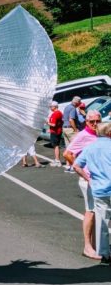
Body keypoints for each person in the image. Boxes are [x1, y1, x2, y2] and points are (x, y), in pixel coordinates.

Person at [65, 110, 102, 259]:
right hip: (88, 178)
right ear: (86, 122)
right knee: (91, 211)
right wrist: (81, 170)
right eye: (91, 121)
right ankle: (88, 246)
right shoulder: (82, 136)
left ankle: (97, 245)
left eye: (97, 121)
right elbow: (67, 153)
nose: (94, 124)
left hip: (101, 178)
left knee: (101, 212)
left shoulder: (101, 134)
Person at [73, 122, 111, 264]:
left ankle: (104, 254)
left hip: (99, 189)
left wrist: (88, 178)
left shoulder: (89, 148)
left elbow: (76, 165)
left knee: (102, 222)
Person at [62, 96, 81, 171]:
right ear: (77, 102)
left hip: (64, 128)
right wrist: (75, 129)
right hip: (70, 129)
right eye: (79, 102)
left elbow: (64, 118)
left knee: (68, 148)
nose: (80, 103)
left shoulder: (67, 107)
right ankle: (73, 166)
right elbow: (71, 119)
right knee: (74, 148)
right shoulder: (73, 108)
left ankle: (68, 165)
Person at [47, 101, 64, 167]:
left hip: (55, 132)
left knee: (55, 145)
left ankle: (57, 160)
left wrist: (47, 123)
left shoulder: (55, 114)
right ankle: (57, 159)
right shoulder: (59, 113)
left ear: (55, 106)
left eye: (51, 106)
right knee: (55, 145)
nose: (50, 108)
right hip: (57, 131)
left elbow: (53, 124)